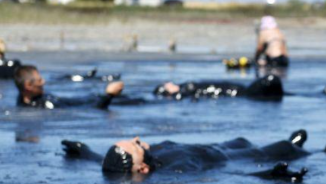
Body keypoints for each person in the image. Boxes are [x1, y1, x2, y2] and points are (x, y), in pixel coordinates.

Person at [61, 129, 326, 177]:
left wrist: (83, 150)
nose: (137, 139)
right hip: (238, 158)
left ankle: (296, 143)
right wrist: (270, 174)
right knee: (283, 149)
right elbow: (237, 175)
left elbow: (105, 162)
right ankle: (324, 151)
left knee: (253, 141)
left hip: (228, 145)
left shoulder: (139, 162)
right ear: (143, 169)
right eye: (136, 145)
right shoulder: (173, 172)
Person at [13, 65, 124, 109]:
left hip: (89, 98)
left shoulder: (22, 99)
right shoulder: (46, 105)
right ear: (28, 85)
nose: (44, 82)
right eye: (40, 80)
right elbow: (89, 108)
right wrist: (109, 95)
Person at [153, 74, 284, 101]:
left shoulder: (185, 87)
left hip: (240, 90)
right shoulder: (185, 92)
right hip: (242, 93)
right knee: (271, 79)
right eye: (165, 86)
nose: (168, 83)